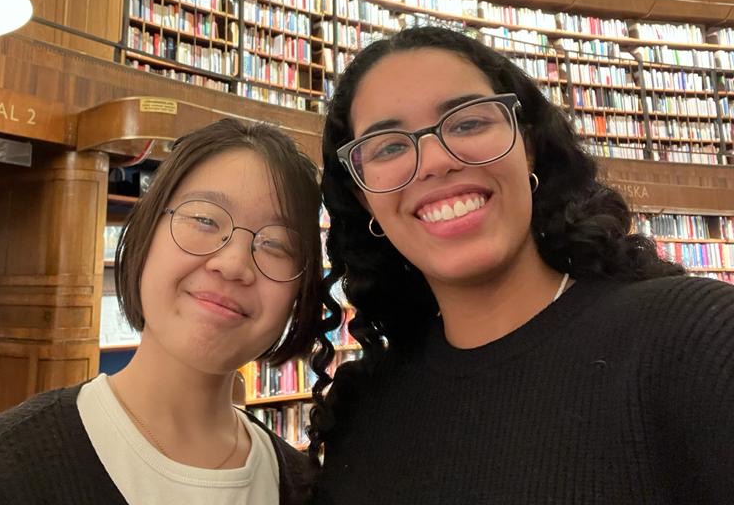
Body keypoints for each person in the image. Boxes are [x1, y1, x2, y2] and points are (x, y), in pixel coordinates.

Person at [309, 26, 734, 504]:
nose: (433, 161)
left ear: (526, 145)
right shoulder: (363, 407)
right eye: (388, 146)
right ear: (365, 198)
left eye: (468, 123)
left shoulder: (701, 340)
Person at [0, 118, 322, 505]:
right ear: (146, 235)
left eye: (277, 245)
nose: (234, 264)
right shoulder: (3, 470)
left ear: (300, 292)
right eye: (204, 219)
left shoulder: (307, 486)